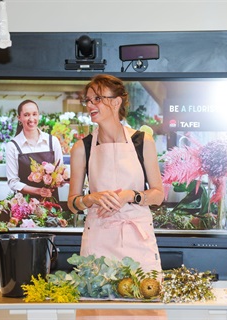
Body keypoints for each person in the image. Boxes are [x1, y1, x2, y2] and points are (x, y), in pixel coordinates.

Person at [68, 74, 166, 319]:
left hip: (137, 239)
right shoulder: (82, 147)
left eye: (97, 99)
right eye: (88, 100)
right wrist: (91, 198)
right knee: (97, 309)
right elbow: (72, 203)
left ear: (117, 102)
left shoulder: (142, 141)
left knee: (144, 309)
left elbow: (158, 194)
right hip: (99, 239)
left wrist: (131, 195)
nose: (90, 105)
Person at [6, 99, 63, 199]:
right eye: (26, 115)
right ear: (19, 118)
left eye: (34, 114)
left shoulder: (52, 141)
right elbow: (13, 182)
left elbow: (60, 172)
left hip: (51, 202)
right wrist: (38, 191)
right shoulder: (13, 146)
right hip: (24, 204)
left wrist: (57, 182)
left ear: (38, 115)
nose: (31, 118)